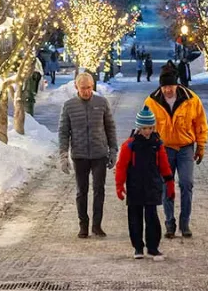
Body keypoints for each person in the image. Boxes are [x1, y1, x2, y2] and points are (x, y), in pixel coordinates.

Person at [145, 65, 208, 239]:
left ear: (177, 85)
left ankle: (185, 222)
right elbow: (145, 126)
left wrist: (201, 146)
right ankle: (169, 222)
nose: (167, 90)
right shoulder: (151, 101)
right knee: (167, 186)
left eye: (170, 87)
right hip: (164, 148)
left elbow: (200, 123)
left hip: (185, 148)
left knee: (186, 183)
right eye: (164, 87)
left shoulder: (191, 99)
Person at [58, 72, 118, 238]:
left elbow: (110, 127)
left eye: (89, 88)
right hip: (80, 154)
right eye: (83, 88)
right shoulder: (69, 106)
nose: (86, 91)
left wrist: (113, 150)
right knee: (81, 191)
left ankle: (97, 225)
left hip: (99, 153)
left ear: (93, 87)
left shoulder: (102, 102)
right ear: (76, 87)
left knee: (99, 190)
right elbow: (63, 132)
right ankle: (83, 225)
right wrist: (63, 155)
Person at [115, 106, 175, 260]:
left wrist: (169, 182)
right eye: (144, 128)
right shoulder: (129, 145)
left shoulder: (157, 144)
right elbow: (121, 166)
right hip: (135, 187)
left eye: (150, 128)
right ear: (138, 128)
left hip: (152, 186)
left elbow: (164, 164)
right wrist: (119, 185)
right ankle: (138, 247)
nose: (147, 131)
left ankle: (153, 247)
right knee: (134, 218)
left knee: (152, 218)